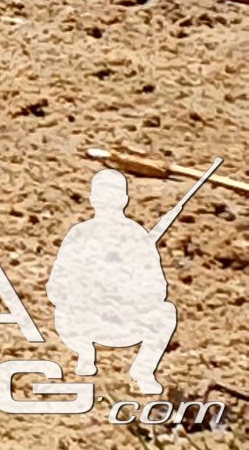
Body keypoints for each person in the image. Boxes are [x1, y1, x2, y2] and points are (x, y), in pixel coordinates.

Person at [47, 169, 178, 394]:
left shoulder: (137, 237)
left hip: (125, 320)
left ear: (124, 200)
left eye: (114, 195)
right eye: (103, 195)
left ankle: (143, 370)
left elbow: (158, 289)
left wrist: (127, 292)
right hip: (83, 320)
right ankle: (85, 355)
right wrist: (88, 291)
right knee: (64, 312)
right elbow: (56, 286)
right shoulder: (80, 235)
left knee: (166, 313)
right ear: (93, 199)